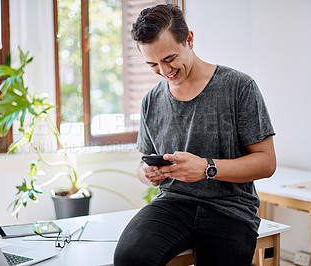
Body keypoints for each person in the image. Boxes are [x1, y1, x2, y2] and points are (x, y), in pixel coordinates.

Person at [113, 4, 276, 266]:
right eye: (153, 64)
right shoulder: (151, 101)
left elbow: (267, 163)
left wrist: (207, 169)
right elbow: (143, 163)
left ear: (189, 39)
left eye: (169, 59)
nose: (165, 71)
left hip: (231, 209)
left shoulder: (239, 87)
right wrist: (147, 174)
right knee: (130, 258)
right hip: (173, 204)